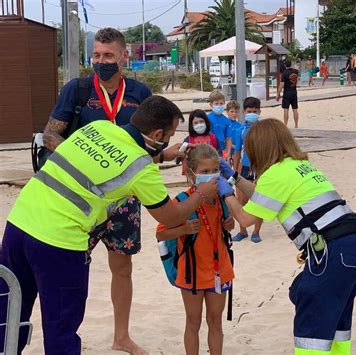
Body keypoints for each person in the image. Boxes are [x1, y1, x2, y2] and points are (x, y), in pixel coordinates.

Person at [0, 96, 218, 354]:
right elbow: (170, 217)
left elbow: (109, 160)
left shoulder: (99, 127)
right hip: (59, 243)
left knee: (9, 310)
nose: (169, 140)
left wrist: (160, 155)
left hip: (19, 223)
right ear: (158, 133)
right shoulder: (142, 169)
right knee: (61, 328)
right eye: (169, 135)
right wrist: (202, 193)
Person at [41, 27, 182, 354]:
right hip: (83, 199)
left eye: (108, 55)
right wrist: (85, 163)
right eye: (96, 55)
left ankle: (121, 336)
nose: (101, 61)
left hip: (125, 199)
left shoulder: (140, 92)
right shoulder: (76, 90)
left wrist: (167, 154)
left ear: (123, 56)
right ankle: (66, 336)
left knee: (123, 267)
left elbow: (147, 147)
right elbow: (49, 135)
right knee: (70, 266)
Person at [217, 118, 356, 354]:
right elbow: (263, 197)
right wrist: (235, 179)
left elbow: (245, 219)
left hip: (331, 249)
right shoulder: (301, 166)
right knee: (337, 316)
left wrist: (227, 193)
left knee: (313, 318)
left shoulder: (275, 174)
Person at [156, 144, 235, 355]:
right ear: (192, 174)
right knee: (193, 322)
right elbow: (160, 234)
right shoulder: (182, 202)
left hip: (220, 269)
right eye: (204, 172)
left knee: (215, 322)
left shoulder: (222, 198)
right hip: (192, 271)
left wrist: (229, 224)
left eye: (214, 170)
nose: (211, 176)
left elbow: (229, 225)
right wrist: (183, 228)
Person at [231, 97, 264, 243]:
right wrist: (234, 170)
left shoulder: (264, 130)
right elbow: (237, 151)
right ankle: (242, 231)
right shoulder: (240, 130)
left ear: (259, 111)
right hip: (244, 168)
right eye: (249, 111)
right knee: (241, 201)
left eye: (255, 111)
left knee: (259, 202)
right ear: (244, 112)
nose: (252, 113)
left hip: (260, 169)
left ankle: (256, 232)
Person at [180, 109, 218, 175]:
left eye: (201, 121)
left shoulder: (213, 138)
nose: (199, 124)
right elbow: (182, 156)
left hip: (211, 171)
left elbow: (218, 154)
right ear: (191, 125)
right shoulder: (188, 140)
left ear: (206, 122)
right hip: (194, 173)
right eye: (196, 123)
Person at [207, 90, 232, 160]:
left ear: (224, 104)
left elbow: (228, 138)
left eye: (221, 103)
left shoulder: (226, 121)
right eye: (216, 103)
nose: (219, 105)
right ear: (211, 105)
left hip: (222, 151)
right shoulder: (207, 119)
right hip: (209, 151)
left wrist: (228, 152)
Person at [277, 60, 299, 128]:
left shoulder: (284, 73)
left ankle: (285, 125)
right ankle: (296, 125)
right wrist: (296, 68)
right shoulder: (295, 72)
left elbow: (282, 84)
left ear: (285, 65)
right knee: (295, 109)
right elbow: (297, 69)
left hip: (286, 92)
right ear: (290, 64)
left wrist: (278, 94)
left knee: (286, 109)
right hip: (294, 92)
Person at [226, 100, 242, 165]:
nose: (234, 114)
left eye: (236, 112)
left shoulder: (240, 125)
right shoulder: (225, 123)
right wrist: (233, 146)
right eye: (232, 111)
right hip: (227, 152)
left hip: (236, 153)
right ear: (227, 112)